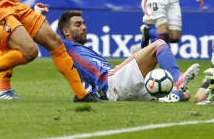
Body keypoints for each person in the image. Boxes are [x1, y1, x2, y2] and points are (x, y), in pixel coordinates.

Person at [55, 9, 200, 102]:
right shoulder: (64, 46)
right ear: (66, 31)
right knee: (159, 44)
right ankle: (178, 77)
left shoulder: (81, 50)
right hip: (112, 80)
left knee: (186, 94)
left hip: (117, 90)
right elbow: (43, 34)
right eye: (78, 24)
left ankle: (171, 96)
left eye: (83, 23)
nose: (84, 27)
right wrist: (37, 14)